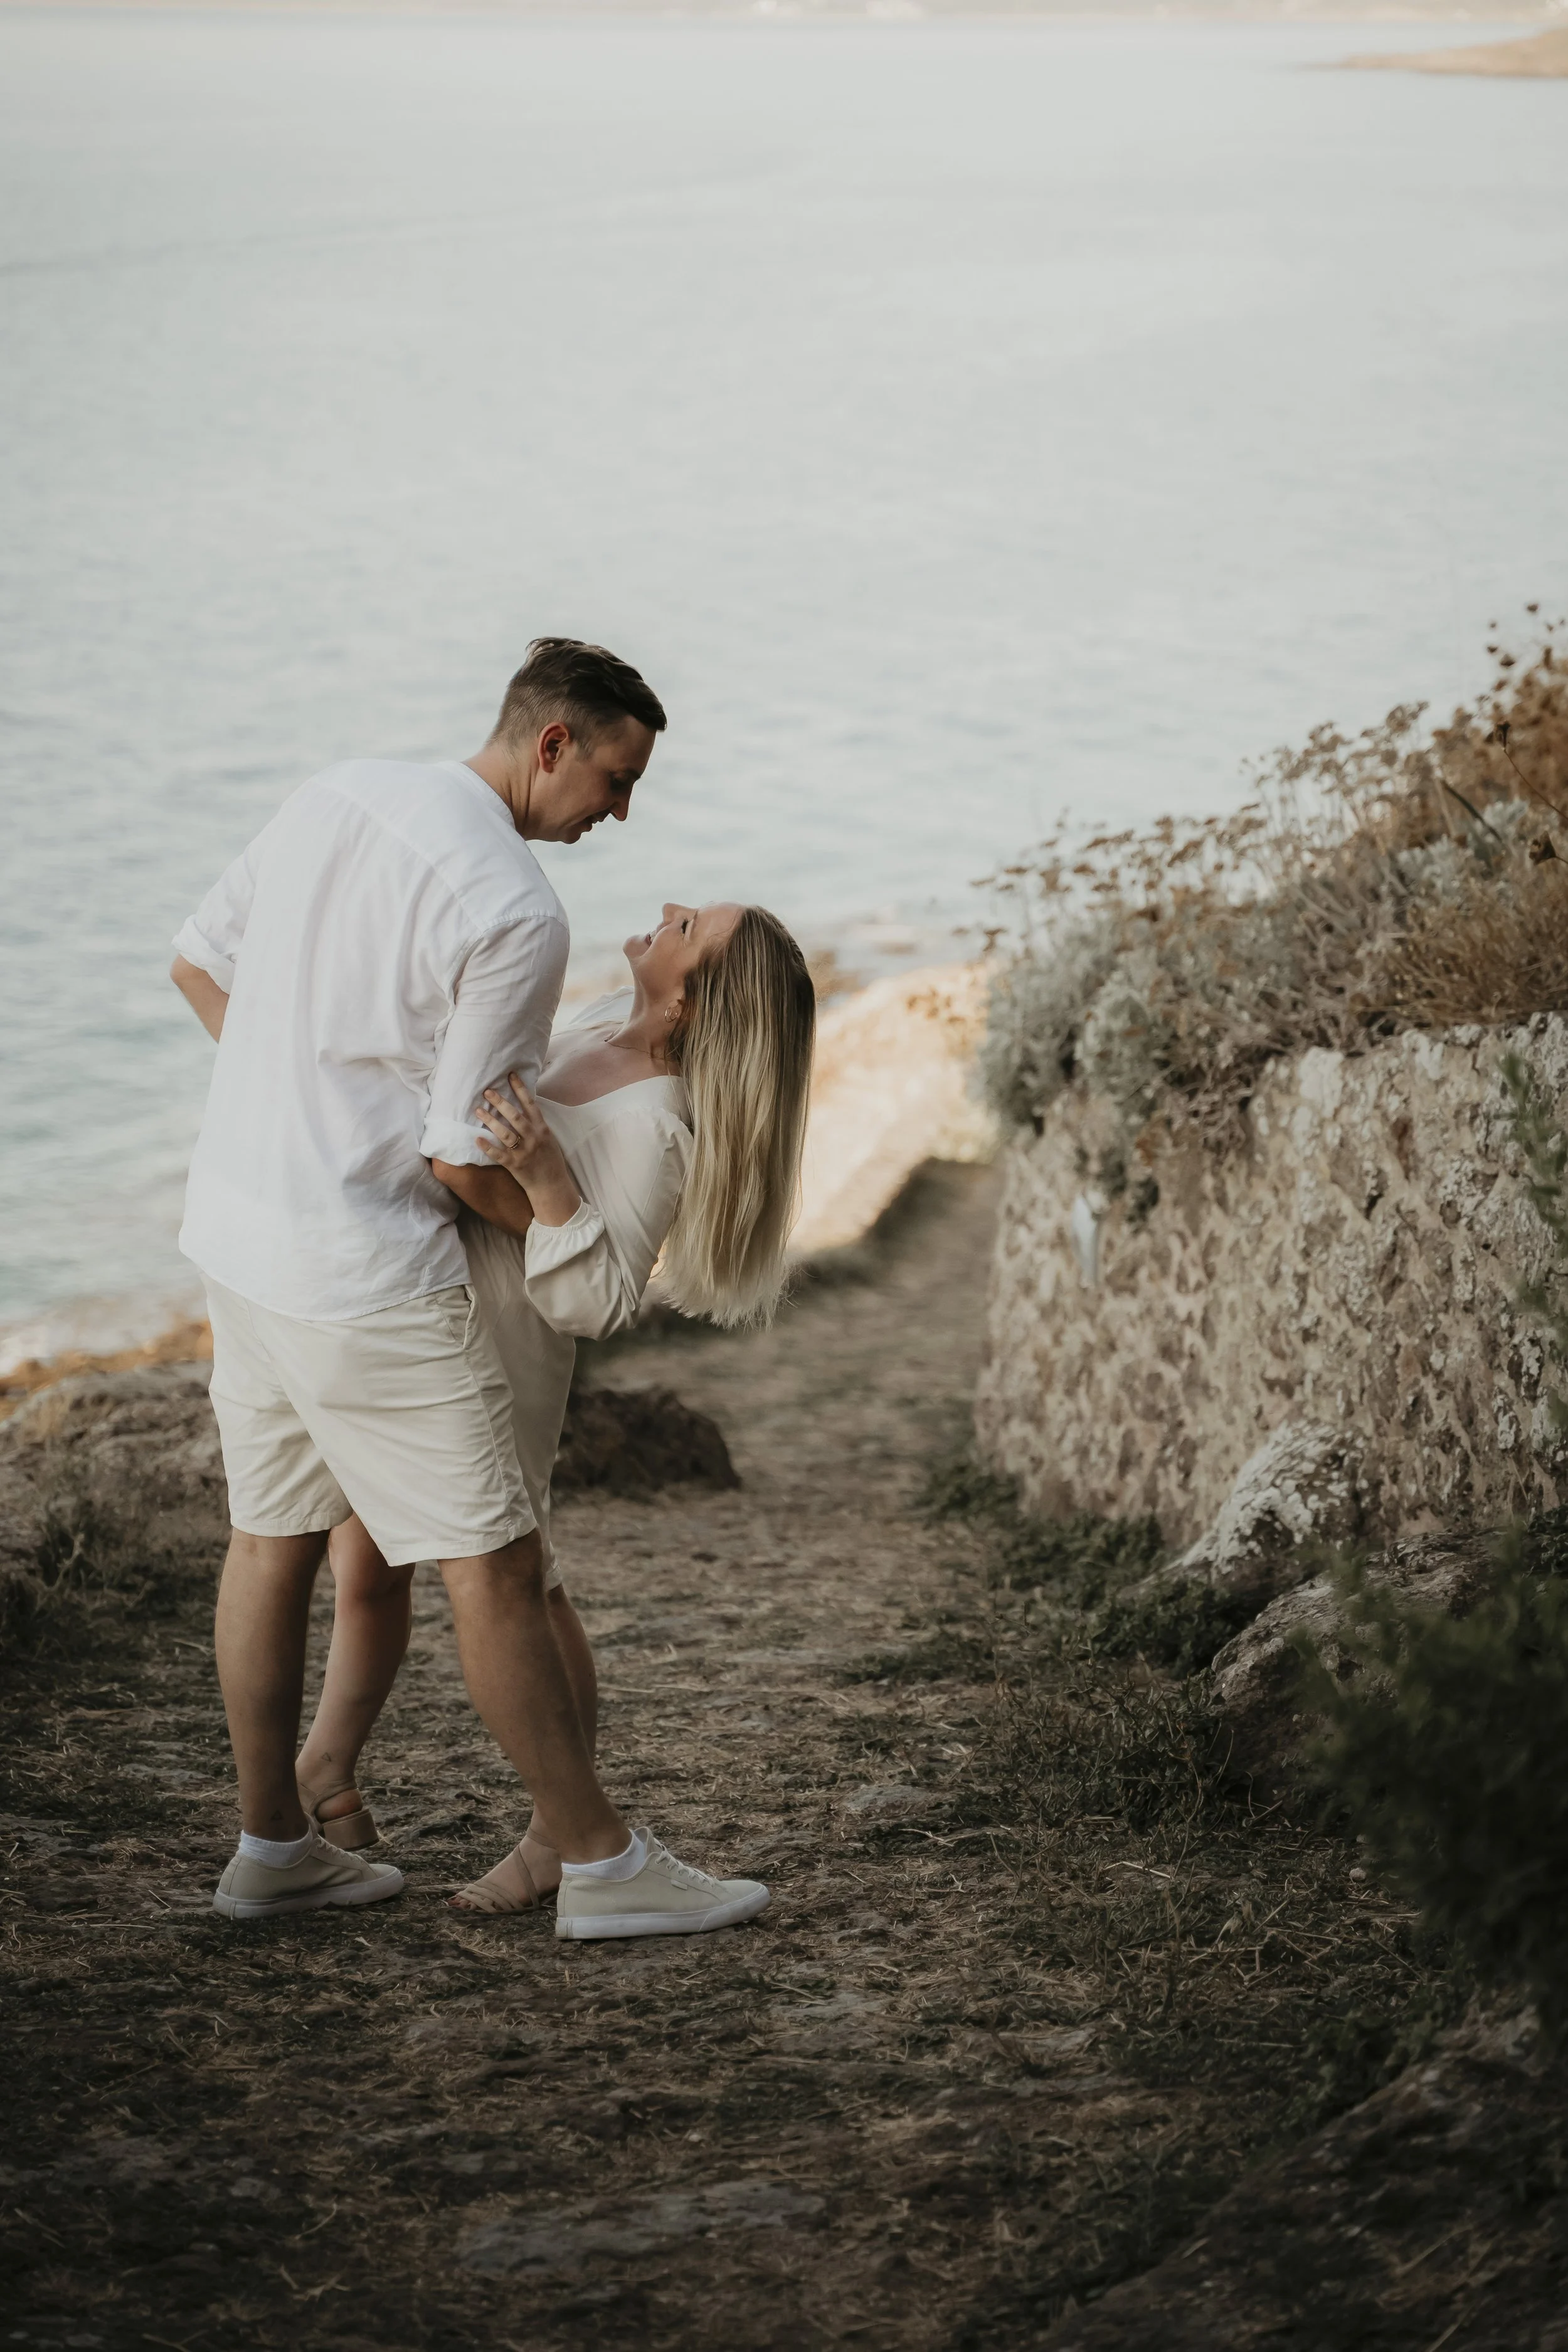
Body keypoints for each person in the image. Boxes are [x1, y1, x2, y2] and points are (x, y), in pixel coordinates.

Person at [171, 637, 770, 1934]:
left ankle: (273, 1842)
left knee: (269, 1545)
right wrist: (495, 1173)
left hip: (238, 1233)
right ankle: (602, 1866)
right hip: (356, 1269)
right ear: (552, 744)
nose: (617, 814)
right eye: (613, 778)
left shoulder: (336, 790)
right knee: (497, 1570)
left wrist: (302, 1107)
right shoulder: (516, 907)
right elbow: (455, 1154)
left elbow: (198, 965)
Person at [292, 898, 817, 1929]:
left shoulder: (659, 1120)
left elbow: (599, 1298)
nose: (669, 911)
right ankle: (330, 1776)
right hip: (419, 1317)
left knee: (525, 1585)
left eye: (692, 925)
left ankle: (556, 1836)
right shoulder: (590, 1035)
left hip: (496, 1356)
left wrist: (541, 1176)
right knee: (368, 1558)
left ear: (697, 991)